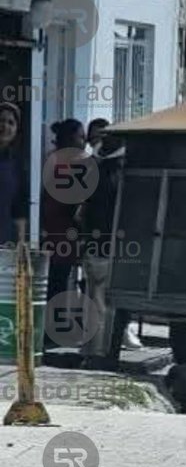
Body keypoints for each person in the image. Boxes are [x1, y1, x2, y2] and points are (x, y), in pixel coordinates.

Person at [80, 119, 140, 358]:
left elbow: (84, 210)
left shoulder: (95, 170)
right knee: (105, 303)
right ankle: (101, 352)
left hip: (96, 245)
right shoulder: (122, 172)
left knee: (95, 300)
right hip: (112, 246)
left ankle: (94, 349)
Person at [41, 119, 86, 349]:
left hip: (58, 229)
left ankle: (56, 327)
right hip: (61, 230)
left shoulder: (55, 158)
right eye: (80, 136)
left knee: (59, 281)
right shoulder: (64, 161)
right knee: (57, 282)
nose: (84, 140)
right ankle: (52, 331)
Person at [0, 103, 28, 247]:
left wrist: (21, 244)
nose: (5, 126)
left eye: (11, 122)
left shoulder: (18, 164)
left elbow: (19, 207)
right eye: (1, 120)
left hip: (5, 241)